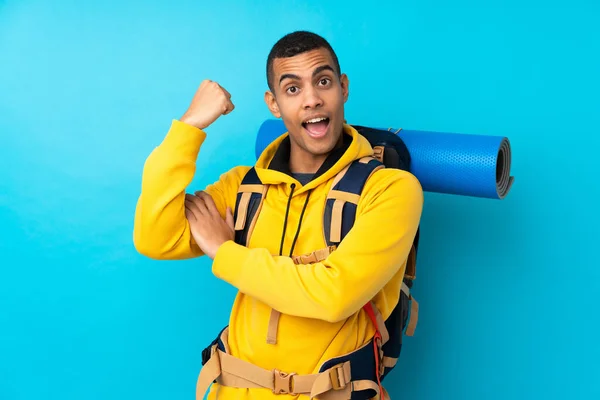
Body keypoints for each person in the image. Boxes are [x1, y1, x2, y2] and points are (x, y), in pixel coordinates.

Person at [133, 30, 423, 400]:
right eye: (292, 89)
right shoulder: (243, 187)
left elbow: (333, 296)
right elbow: (155, 237)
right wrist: (188, 128)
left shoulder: (390, 190)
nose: (312, 100)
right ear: (273, 104)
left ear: (343, 88)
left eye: (323, 81)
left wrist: (225, 252)